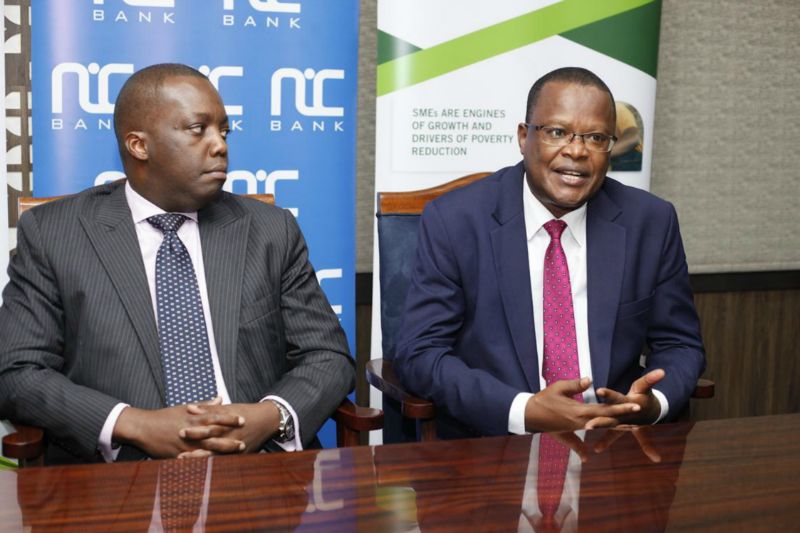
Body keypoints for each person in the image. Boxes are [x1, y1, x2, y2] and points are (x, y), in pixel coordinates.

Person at [0, 63, 355, 464]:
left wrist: (268, 416)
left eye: (224, 131)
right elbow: (17, 371)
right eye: (197, 129)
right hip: (121, 474)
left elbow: (328, 356)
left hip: (255, 461)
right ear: (139, 145)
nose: (219, 145)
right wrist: (135, 424)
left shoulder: (271, 230)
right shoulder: (54, 234)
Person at [394, 67, 705, 439]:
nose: (576, 151)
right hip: (495, 442)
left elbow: (680, 344)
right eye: (557, 132)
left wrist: (654, 403)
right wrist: (523, 410)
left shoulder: (650, 222)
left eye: (596, 137)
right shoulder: (455, 221)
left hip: (614, 439)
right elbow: (420, 352)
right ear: (524, 137)